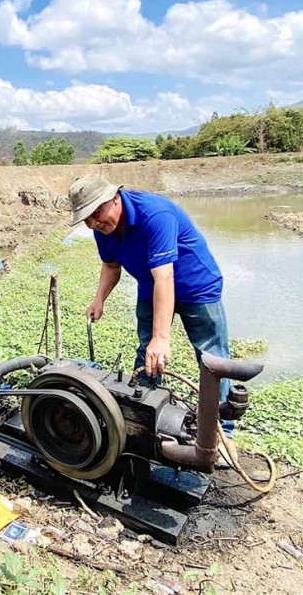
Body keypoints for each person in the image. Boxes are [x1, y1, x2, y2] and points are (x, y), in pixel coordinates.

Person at [69, 174, 236, 436]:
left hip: (197, 287)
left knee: (212, 360)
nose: (93, 222)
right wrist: (99, 299)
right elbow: (111, 265)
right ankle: (142, 416)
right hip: (151, 286)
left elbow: (165, 276)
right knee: (146, 351)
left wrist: (162, 337)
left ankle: (221, 433)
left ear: (114, 198)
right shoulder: (102, 228)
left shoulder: (155, 214)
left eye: (95, 213)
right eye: (86, 218)